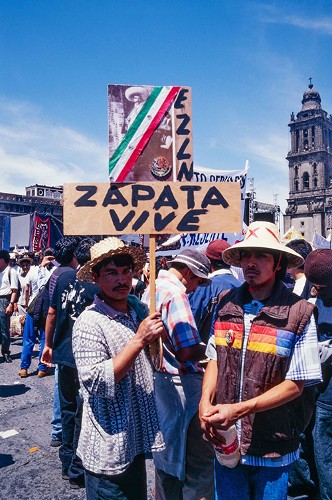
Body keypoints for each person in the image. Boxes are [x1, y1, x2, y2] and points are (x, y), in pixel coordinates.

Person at [199, 221, 322, 500]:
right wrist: (205, 401)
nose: (251, 262)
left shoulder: (299, 313)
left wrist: (239, 409)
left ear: (278, 262)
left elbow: (296, 385)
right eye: (246, 255)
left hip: (272, 446)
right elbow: (214, 358)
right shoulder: (225, 303)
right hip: (227, 441)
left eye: (261, 256)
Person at [72, 237, 165, 499]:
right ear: (96, 278)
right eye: (111, 273)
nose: (121, 279)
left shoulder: (136, 313)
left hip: (133, 442)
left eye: (125, 272)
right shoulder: (89, 322)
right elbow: (97, 382)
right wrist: (139, 340)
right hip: (108, 449)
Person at [142, 248, 215, 500]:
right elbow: (187, 351)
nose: (195, 288)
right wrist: (212, 352)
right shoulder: (175, 294)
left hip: (162, 381)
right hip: (183, 386)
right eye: (196, 280)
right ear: (187, 272)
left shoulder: (151, 289)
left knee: (167, 459)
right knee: (197, 464)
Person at [41, 238, 97, 490]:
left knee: (67, 409)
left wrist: (48, 344)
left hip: (63, 353)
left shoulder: (62, 278)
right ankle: (77, 468)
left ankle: (67, 464)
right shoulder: (97, 285)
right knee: (83, 412)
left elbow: (52, 313)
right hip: (85, 357)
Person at [304, 249, 332, 500]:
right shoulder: (316, 300)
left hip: (326, 396)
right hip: (324, 394)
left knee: (325, 450)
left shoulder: (318, 302)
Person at [190, 239, 241, 344]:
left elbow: (191, 320)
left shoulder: (204, 286)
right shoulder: (241, 285)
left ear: (208, 261)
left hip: (207, 352)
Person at [0, 249, 18, 362]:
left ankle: (6, 352)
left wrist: (11, 304)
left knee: (4, 328)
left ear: (2, 260)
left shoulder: (11, 272)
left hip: (4, 300)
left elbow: (14, 290)